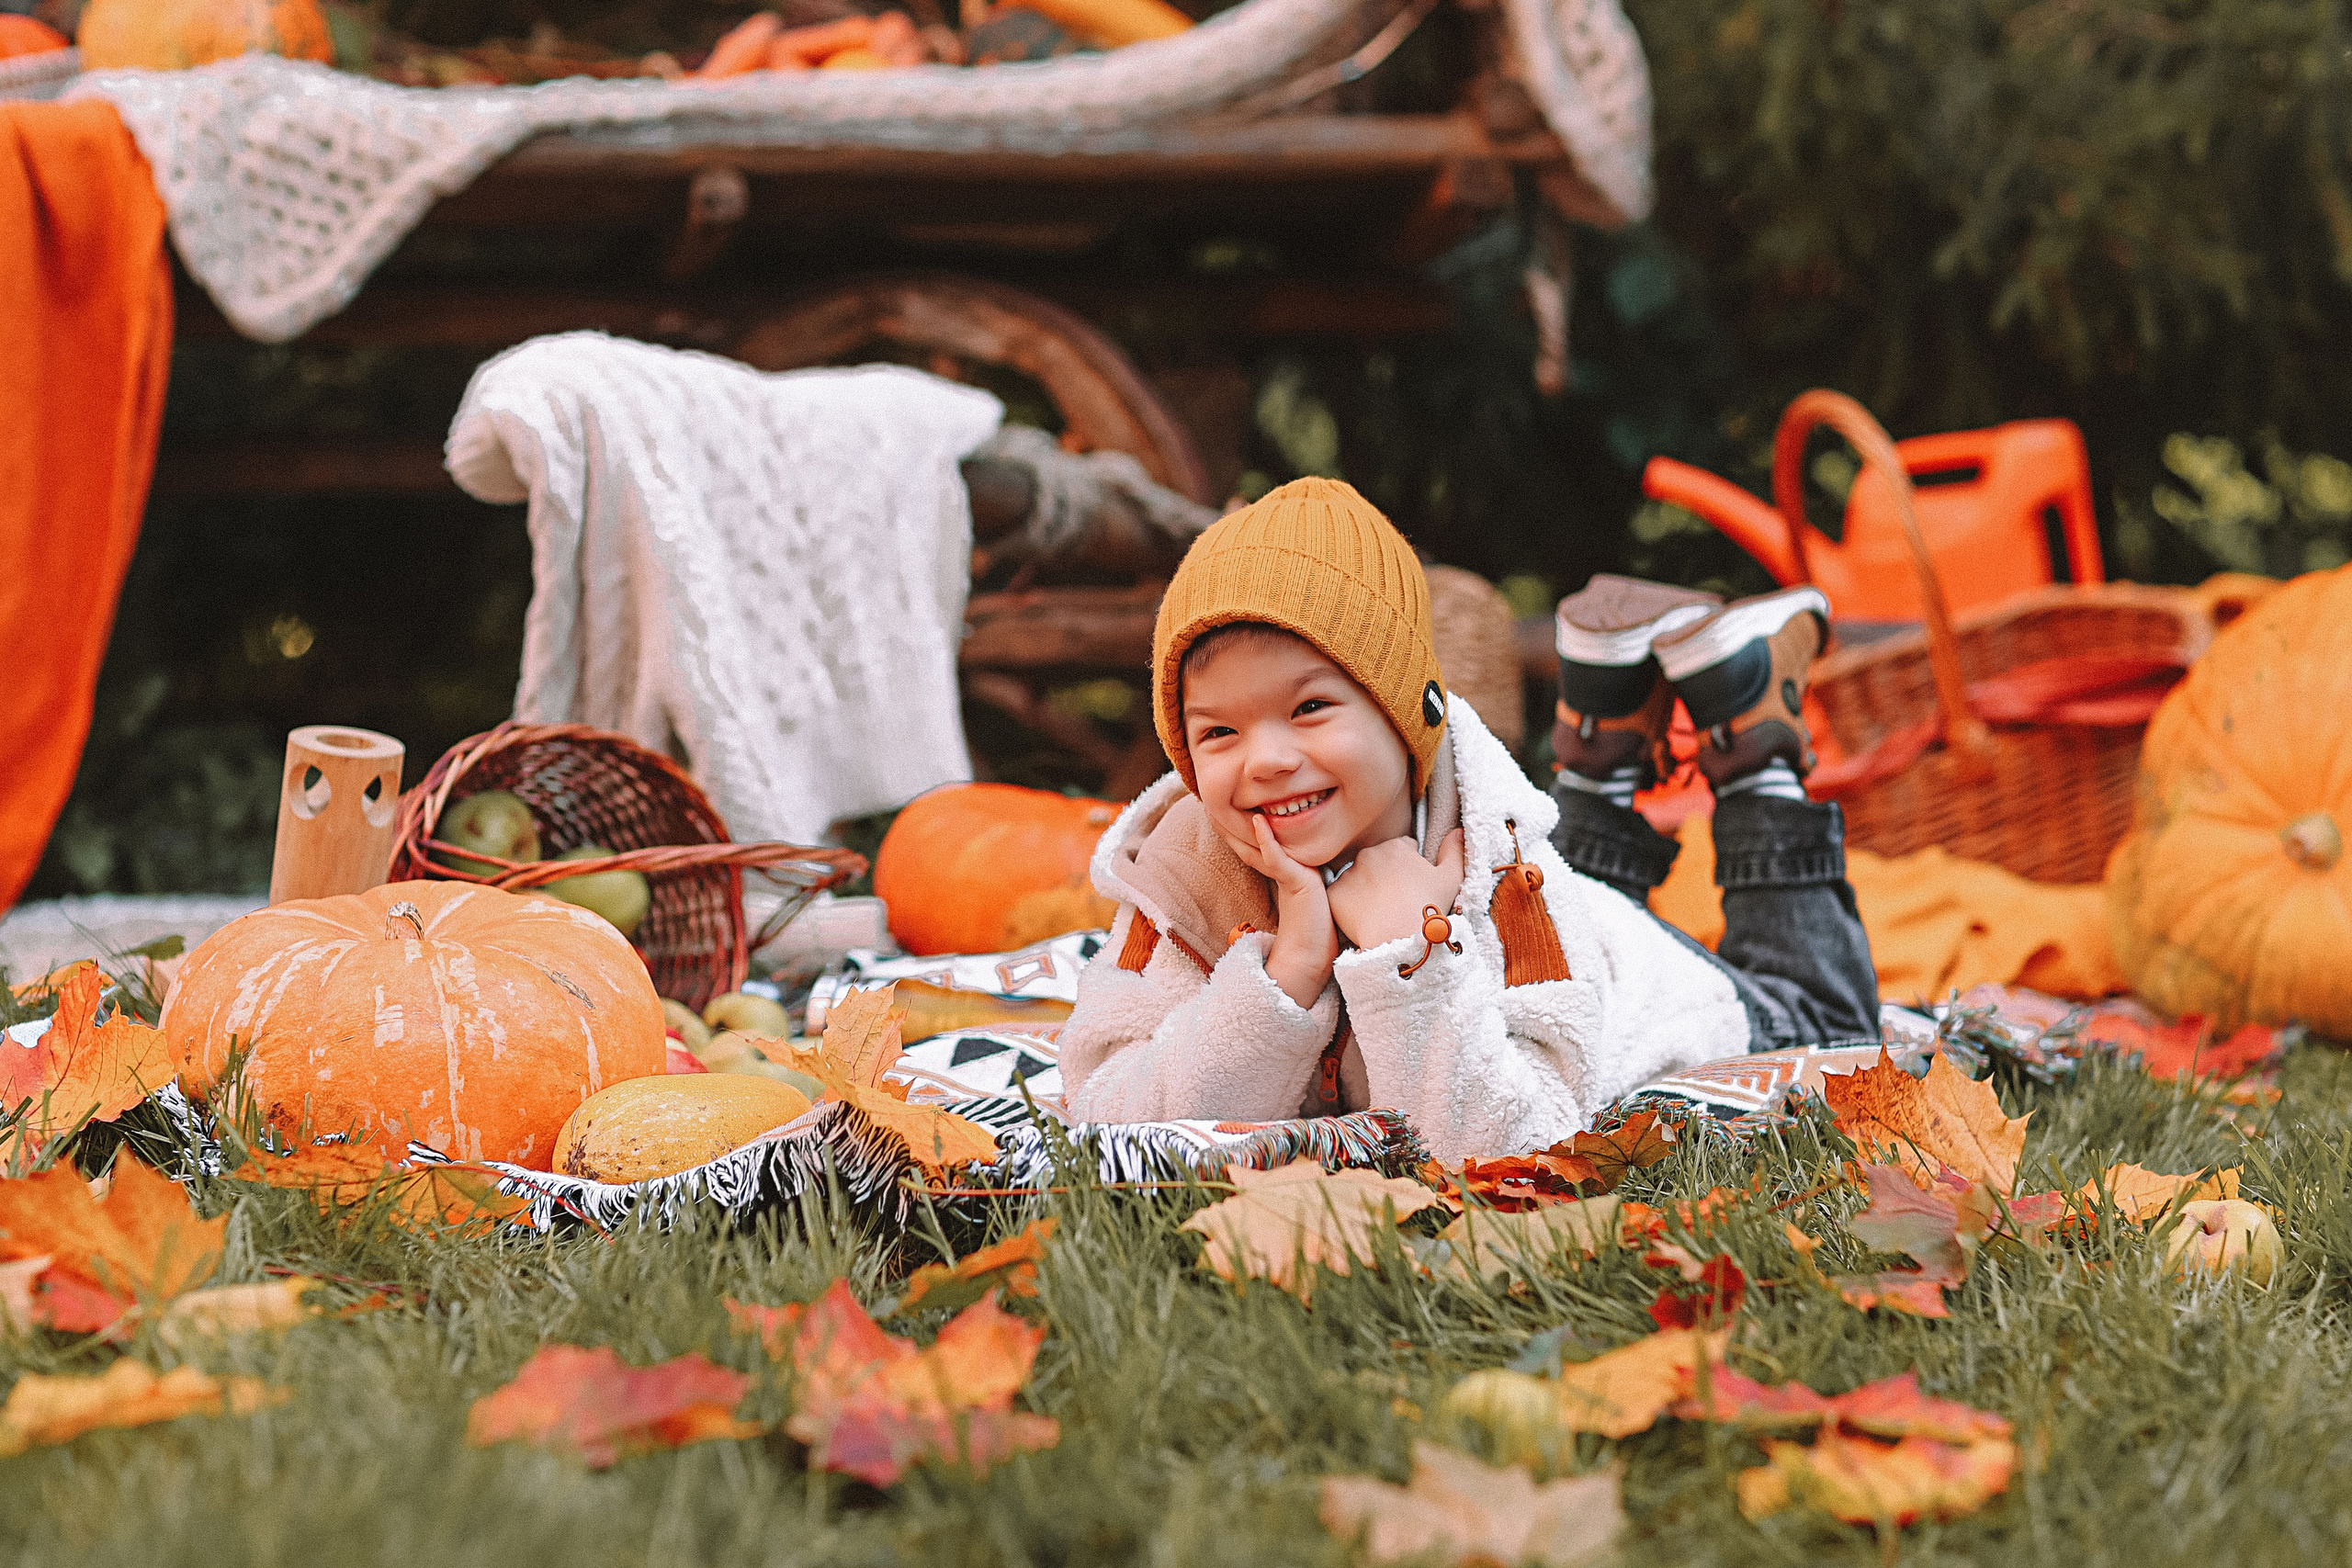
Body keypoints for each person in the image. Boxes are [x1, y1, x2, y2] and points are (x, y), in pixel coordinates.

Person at [1057, 477, 1878, 1161]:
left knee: (1830, 1029)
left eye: (1309, 708)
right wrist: (1284, 976)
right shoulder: (1181, 883)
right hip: (1578, 925)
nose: (1264, 758)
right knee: (1584, 884)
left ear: (1406, 713)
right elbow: (1109, 1124)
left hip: (1639, 988)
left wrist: (1408, 953)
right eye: (1218, 733)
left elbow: (1521, 1150)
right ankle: (1602, 729)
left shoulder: (1503, 868)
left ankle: (1752, 748)